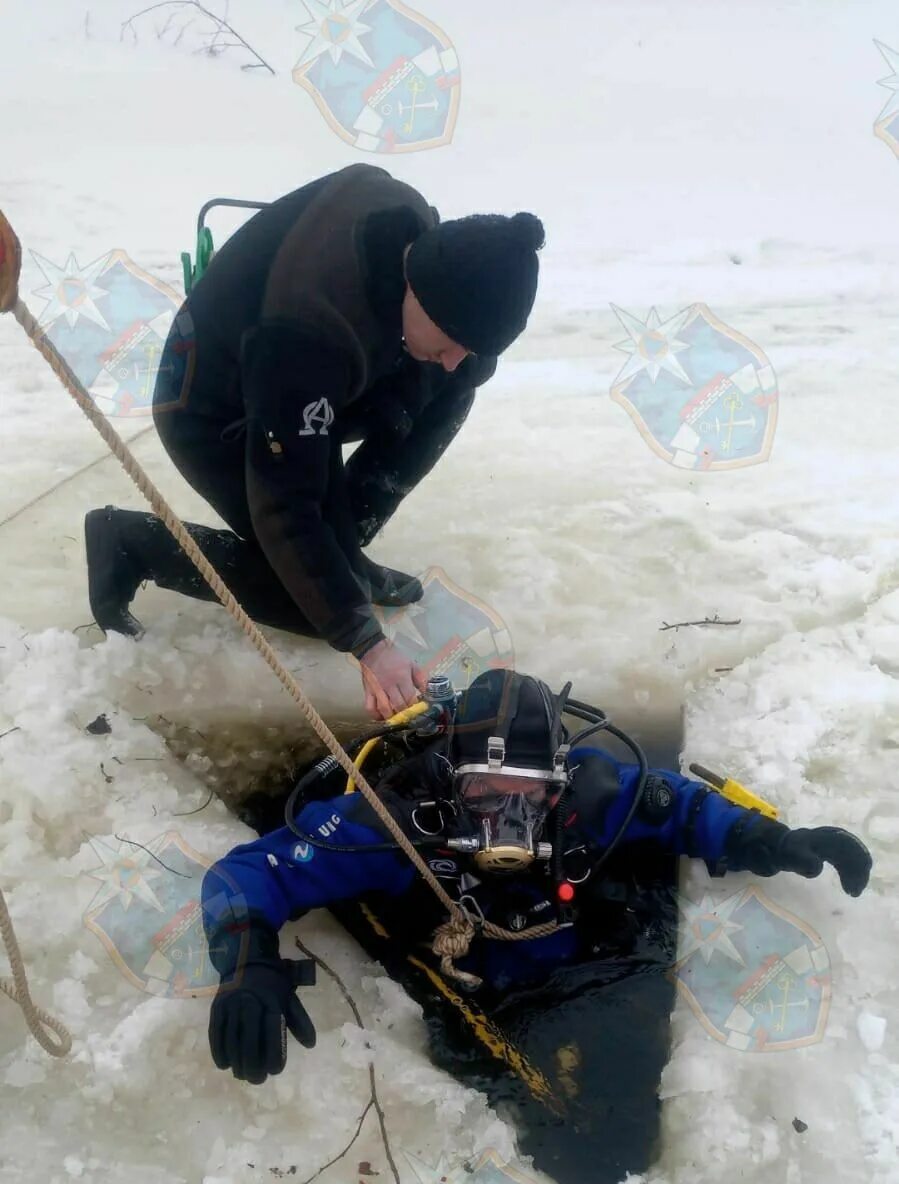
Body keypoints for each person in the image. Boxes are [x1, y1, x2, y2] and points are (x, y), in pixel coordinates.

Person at [200, 669, 873, 1084]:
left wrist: (770, 837)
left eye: (529, 794)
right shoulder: (394, 821)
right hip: (455, 940)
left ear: (560, 777)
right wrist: (246, 957)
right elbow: (248, 873)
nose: (509, 817)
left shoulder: (592, 797)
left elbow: (683, 806)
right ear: (451, 779)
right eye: (486, 794)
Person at [84, 164, 545, 719]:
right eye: (452, 341)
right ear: (421, 294)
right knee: (314, 606)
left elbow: (452, 357)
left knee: (454, 387)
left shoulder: (427, 250)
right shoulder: (307, 327)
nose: (454, 358)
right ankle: (130, 544)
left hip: (319, 381)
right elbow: (286, 505)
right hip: (214, 407)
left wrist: (342, 546)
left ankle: (348, 552)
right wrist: (368, 645)